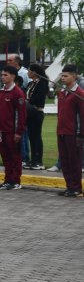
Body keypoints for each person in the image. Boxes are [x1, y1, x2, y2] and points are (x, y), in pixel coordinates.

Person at [0, 66, 27, 190]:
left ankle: (16, 180)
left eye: (5, 75)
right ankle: (8, 180)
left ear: (13, 76)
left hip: (11, 131)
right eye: (2, 75)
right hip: (1, 130)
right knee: (5, 156)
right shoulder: (1, 92)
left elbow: (21, 115)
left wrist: (18, 132)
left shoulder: (17, 93)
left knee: (15, 156)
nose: (2, 77)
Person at [56, 64, 84, 197]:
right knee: (65, 161)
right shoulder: (62, 92)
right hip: (61, 131)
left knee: (74, 161)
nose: (63, 78)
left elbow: (82, 117)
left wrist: (80, 134)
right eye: (62, 75)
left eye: (66, 76)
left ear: (74, 76)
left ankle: (77, 187)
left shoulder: (79, 94)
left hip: (73, 133)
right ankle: (69, 186)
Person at [25, 63, 49, 170]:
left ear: (34, 72)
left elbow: (37, 98)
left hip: (36, 112)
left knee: (36, 137)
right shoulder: (31, 84)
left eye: (29, 70)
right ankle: (33, 159)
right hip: (29, 112)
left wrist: (27, 102)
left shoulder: (42, 83)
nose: (28, 72)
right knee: (31, 137)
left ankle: (38, 160)